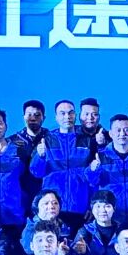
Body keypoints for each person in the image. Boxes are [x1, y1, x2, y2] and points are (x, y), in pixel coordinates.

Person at [28, 100, 95, 233]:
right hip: (53, 210)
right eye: (62, 113)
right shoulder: (46, 140)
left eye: (70, 113)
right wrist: (40, 156)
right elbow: (36, 172)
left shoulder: (87, 142)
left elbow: (93, 178)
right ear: (56, 117)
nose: (67, 117)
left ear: (75, 115)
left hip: (80, 209)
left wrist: (92, 205)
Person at [93, 114, 128, 226]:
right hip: (110, 221)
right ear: (111, 134)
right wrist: (92, 170)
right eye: (118, 130)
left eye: (126, 130)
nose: (122, 134)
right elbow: (92, 183)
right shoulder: (101, 157)